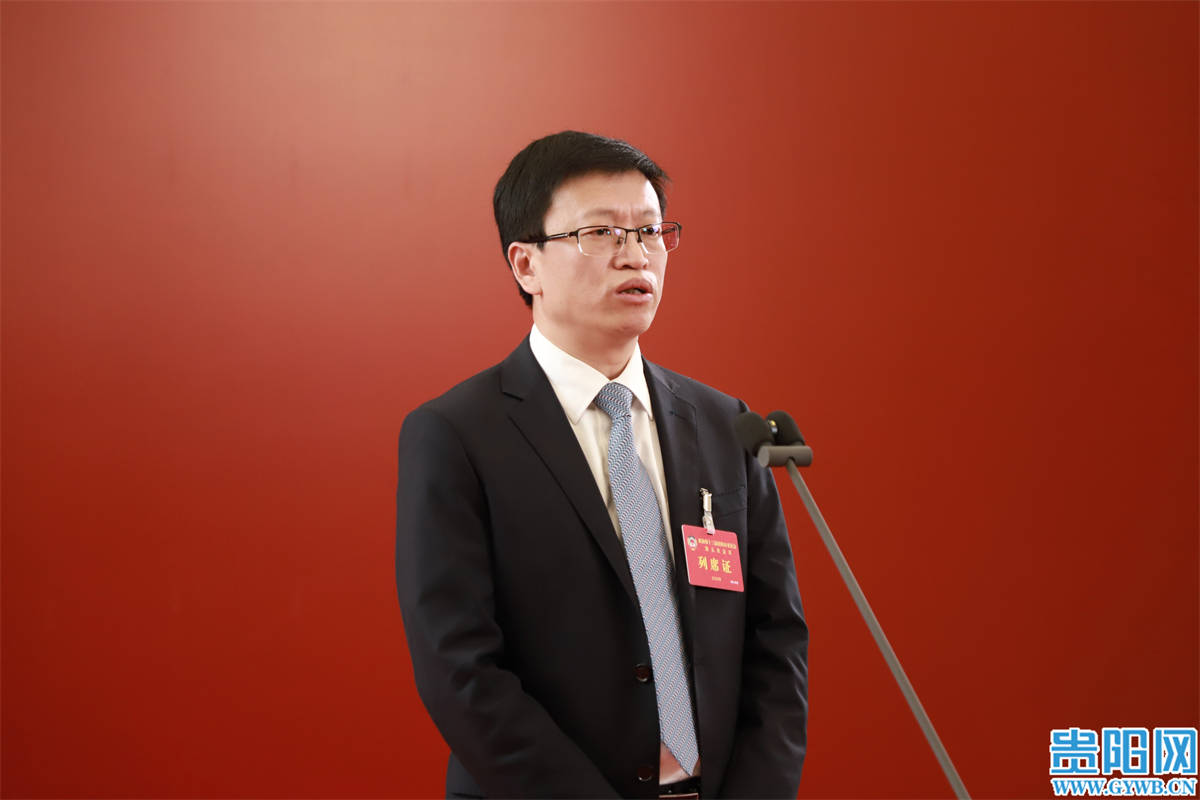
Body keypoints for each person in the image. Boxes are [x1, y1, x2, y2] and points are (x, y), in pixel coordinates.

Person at [395, 131, 808, 799]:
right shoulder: (457, 434)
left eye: (650, 231)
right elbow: (460, 670)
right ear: (526, 265)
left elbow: (776, 642)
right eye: (601, 234)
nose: (635, 255)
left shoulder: (723, 424)